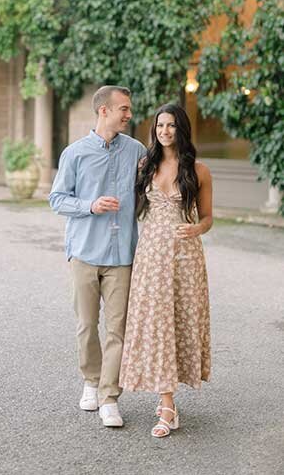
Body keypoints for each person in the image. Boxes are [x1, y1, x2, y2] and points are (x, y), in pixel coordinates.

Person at [49, 85, 146, 427]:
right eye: (124, 108)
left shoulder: (137, 151)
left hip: (122, 255)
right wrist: (90, 206)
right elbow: (57, 199)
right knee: (87, 326)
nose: (129, 114)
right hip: (85, 253)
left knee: (117, 330)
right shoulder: (74, 154)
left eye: (129, 109)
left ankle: (109, 397)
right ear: (104, 110)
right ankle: (91, 380)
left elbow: (154, 189)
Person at [119, 103, 212, 438]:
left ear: (181, 129)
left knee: (180, 321)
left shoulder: (198, 170)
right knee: (156, 324)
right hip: (151, 255)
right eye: (160, 125)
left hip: (186, 255)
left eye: (171, 125)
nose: (165, 131)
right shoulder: (146, 164)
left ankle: (168, 404)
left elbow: (208, 218)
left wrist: (196, 229)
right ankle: (167, 404)